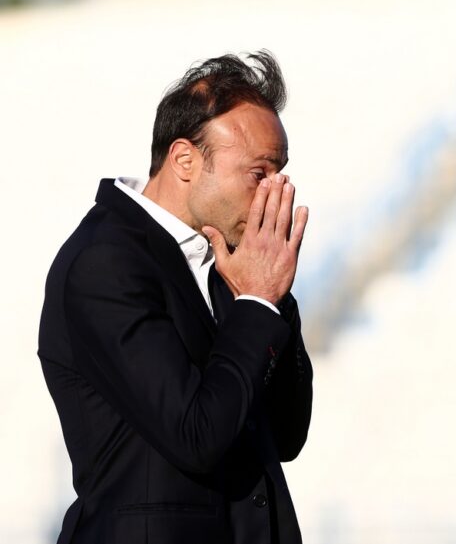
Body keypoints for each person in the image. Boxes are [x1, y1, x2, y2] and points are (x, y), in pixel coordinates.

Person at [38, 50, 312, 544]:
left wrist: (274, 299)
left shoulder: (227, 259)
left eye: (280, 172)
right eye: (259, 173)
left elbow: (285, 434)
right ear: (185, 160)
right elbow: (196, 434)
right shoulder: (105, 261)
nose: (275, 192)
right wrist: (257, 301)